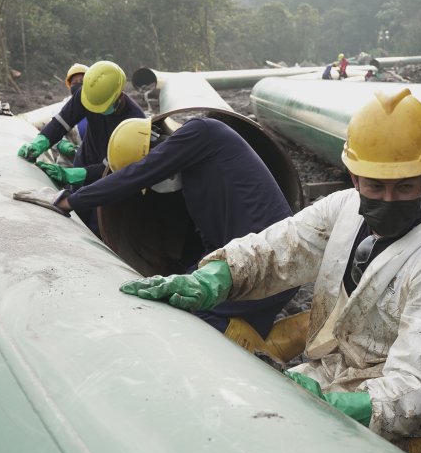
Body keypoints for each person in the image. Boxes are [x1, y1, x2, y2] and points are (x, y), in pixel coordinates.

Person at [122, 88, 421, 453]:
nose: (388, 200)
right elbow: (276, 250)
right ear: (354, 177)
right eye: (375, 186)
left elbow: (417, 390)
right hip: (347, 372)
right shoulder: (345, 210)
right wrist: (213, 277)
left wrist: (330, 405)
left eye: (404, 187)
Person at [22, 115, 304, 362]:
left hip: (271, 258)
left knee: (194, 321)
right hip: (256, 262)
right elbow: (210, 244)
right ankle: (271, 345)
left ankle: (267, 353)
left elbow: (136, 174)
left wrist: (71, 201)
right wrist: (187, 276)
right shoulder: (197, 181)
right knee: (196, 302)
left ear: (155, 153)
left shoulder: (202, 132)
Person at [17, 60, 144, 233]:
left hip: (108, 181)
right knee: (76, 219)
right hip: (84, 160)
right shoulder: (87, 95)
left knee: (97, 228)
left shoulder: (135, 122)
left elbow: (116, 167)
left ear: (118, 95)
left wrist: (72, 174)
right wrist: (41, 142)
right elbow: (62, 122)